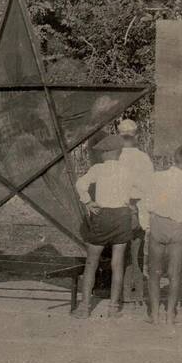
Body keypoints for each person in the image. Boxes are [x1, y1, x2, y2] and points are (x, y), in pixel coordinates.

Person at [73, 135, 136, 318]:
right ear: (119, 153)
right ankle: (113, 308)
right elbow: (139, 190)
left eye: (101, 152)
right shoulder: (127, 170)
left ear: (107, 153)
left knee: (92, 262)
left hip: (103, 216)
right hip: (122, 216)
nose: (100, 155)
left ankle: (84, 307)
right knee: (118, 263)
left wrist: (88, 202)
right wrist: (131, 203)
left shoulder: (98, 169)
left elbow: (80, 184)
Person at [143, 145, 182, 325]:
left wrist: (147, 226)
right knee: (175, 273)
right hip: (177, 228)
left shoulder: (156, 177)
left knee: (155, 272)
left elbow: (145, 203)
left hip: (158, 224)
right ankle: (171, 314)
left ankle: (155, 313)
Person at [116, 119, 154, 304]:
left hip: (119, 209)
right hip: (138, 209)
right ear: (136, 135)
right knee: (137, 253)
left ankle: (124, 292)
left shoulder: (115, 157)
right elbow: (149, 188)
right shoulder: (143, 158)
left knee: (120, 253)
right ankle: (138, 293)